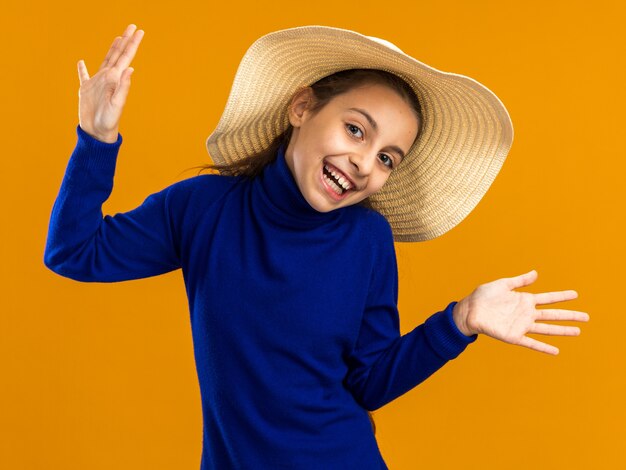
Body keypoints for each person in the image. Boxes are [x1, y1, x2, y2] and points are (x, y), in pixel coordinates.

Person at [43, 24, 590, 470]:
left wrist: (459, 322)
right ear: (302, 107)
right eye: (356, 130)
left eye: (386, 158)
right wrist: (96, 140)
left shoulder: (368, 239)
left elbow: (367, 381)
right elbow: (74, 251)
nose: (364, 163)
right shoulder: (204, 208)